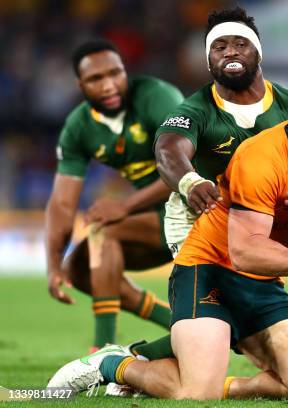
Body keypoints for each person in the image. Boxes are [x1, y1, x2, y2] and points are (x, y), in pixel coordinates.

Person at [48, 82, 288, 402]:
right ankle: (113, 364)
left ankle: (222, 386)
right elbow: (245, 253)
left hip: (262, 280)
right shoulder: (261, 158)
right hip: (210, 269)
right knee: (198, 393)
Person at [119, 6, 288, 362]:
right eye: (219, 46)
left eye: (240, 43)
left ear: (259, 52)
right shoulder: (196, 110)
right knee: (226, 307)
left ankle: (133, 360)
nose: (229, 51)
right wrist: (190, 181)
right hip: (199, 219)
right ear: (208, 59)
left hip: (260, 220)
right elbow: (168, 149)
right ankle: (132, 361)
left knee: (235, 319)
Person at [44, 39, 184, 352]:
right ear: (80, 85)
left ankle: (102, 350)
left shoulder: (157, 98)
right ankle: (177, 323)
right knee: (76, 270)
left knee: (102, 232)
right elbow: (62, 202)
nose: (109, 85)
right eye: (96, 79)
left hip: (196, 211)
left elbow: (187, 172)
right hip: (156, 220)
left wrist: (125, 206)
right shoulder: (79, 127)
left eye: (115, 73)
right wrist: (53, 265)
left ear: (125, 72)